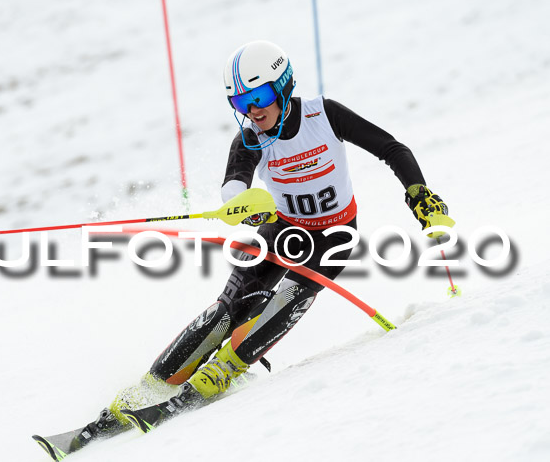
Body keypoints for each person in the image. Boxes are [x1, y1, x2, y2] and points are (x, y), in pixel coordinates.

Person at [96, 40, 453, 434]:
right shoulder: (251, 138)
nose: (254, 110)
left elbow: (391, 148)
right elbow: (234, 184)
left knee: (287, 298)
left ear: (282, 86)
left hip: (334, 236)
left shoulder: (325, 115)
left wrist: (419, 194)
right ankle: (152, 385)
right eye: (242, 103)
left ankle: (227, 369)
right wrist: (245, 204)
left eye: (261, 96)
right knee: (226, 309)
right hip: (282, 230)